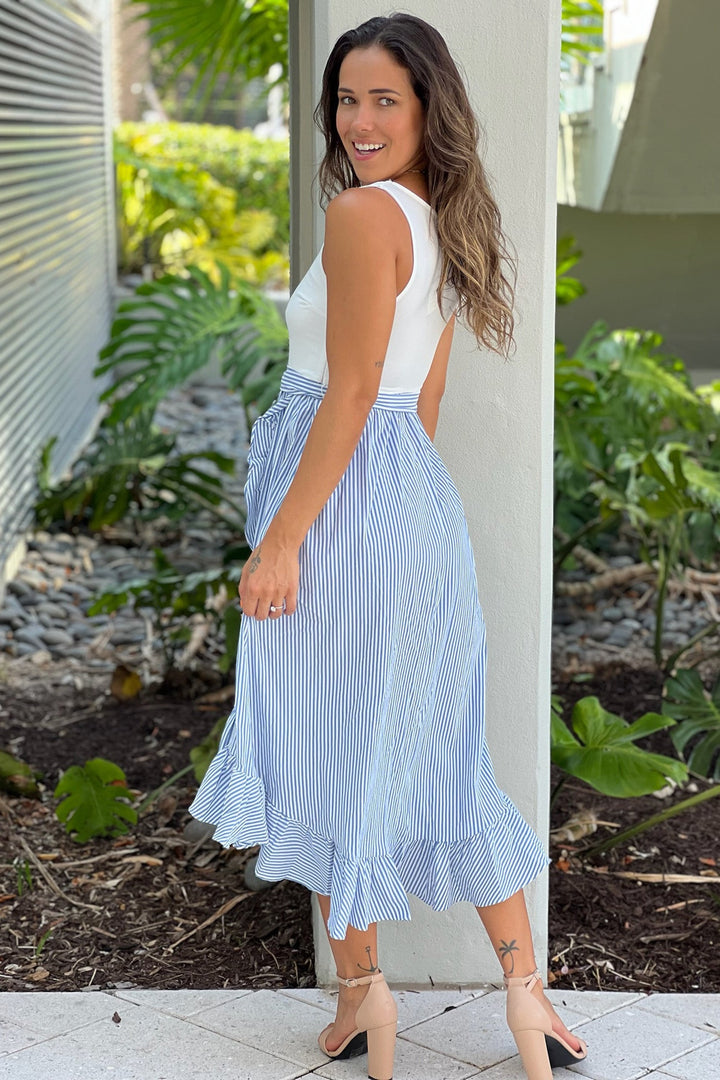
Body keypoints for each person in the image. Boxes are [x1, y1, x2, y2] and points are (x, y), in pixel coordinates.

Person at [189, 13, 588, 1080]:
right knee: (445, 763)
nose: (359, 121)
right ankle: (523, 1003)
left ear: (426, 110)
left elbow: (355, 391)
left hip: (341, 519)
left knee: (329, 754)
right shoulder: (446, 216)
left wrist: (282, 542)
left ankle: (369, 1009)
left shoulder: (364, 216)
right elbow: (425, 399)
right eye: (346, 98)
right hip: (414, 511)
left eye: (384, 100)